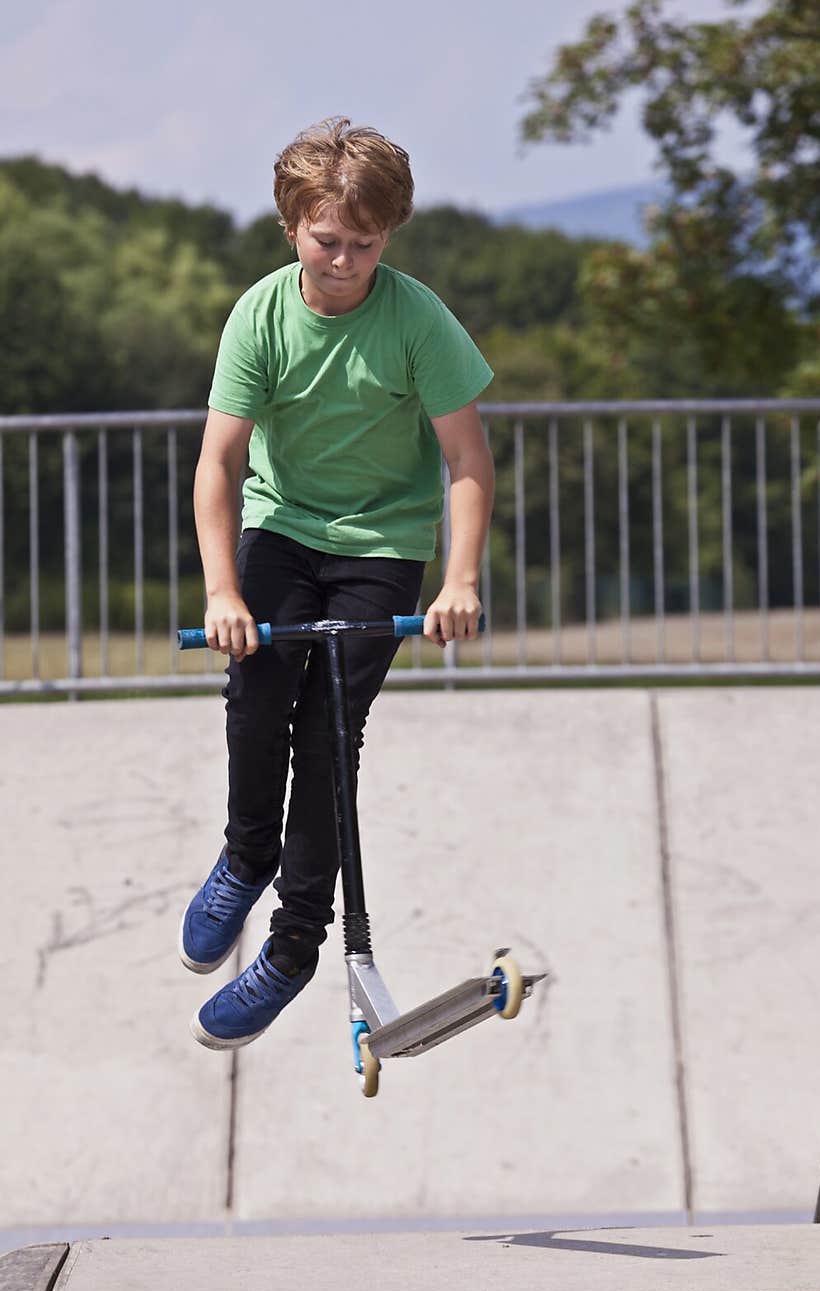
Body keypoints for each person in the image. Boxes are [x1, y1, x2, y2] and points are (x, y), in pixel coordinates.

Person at [180, 117, 495, 1050]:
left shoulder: (417, 319)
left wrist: (461, 580)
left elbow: (468, 463)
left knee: (327, 737)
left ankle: (293, 946)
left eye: (366, 242)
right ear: (292, 227)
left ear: (389, 236)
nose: (347, 259)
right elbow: (217, 465)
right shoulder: (262, 316)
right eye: (329, 240)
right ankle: (246, 858)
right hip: (280, 531)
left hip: (381, 546)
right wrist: (221, 594)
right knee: (256, 695)